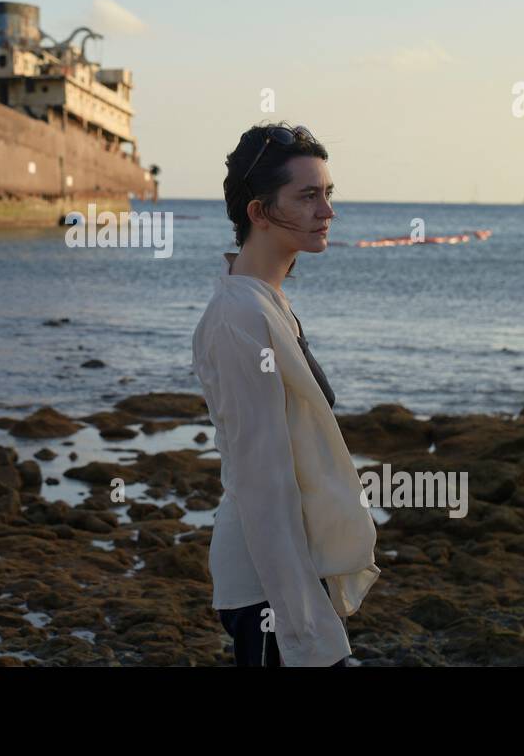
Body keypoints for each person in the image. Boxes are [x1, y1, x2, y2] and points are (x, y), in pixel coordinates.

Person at [191, 122, 380, 667]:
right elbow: (263, 484)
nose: (327, 211)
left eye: (328, 194)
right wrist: (304, 631)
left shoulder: (266, 303)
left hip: (289, 570)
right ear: (258, 212)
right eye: (308, 196)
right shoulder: (239, 319)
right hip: (266, 584)